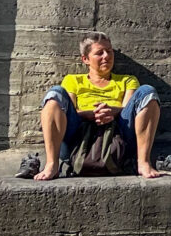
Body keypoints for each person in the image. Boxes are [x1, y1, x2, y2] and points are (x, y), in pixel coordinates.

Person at [36, 32, 163, 180]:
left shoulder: (127, 80)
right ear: (85, 59)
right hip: (78, 139)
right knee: (55, 94)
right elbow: (69, 110)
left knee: (147, 92)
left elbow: (129, 110)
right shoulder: (72, 80)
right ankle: (52, 164)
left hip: (118, 136)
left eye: (109, 51)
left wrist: (111, 112)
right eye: (99, 53)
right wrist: (91, 114)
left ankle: (143, 162)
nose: (106, 56)